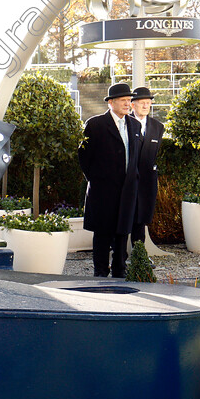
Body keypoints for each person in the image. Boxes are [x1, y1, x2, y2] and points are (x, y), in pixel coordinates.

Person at [78, 83, 142, 278]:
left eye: (129, 100)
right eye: (123, 100)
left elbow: (136, 158)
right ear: (111, 103)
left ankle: (120, 271)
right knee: (103, 233)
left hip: (127, 191)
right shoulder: (95, 124)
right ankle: (100, 272)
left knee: (123, 232)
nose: (127, 104)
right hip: (102, 191)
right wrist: (97, 180)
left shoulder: (136, 125)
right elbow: (84, 157)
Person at [130, 86, 164, 244]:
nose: (145, 106)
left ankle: (139, 256)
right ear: (133, 105)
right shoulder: (125, 123)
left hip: (146, 181)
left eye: (148, 103)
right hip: (127, 180)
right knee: (123, 218)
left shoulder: (158, 127)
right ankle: (119, 257)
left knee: (141, 219)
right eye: (142, 102)